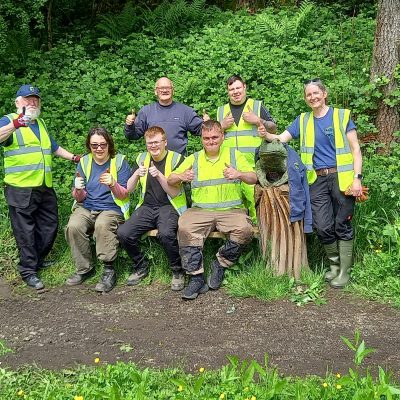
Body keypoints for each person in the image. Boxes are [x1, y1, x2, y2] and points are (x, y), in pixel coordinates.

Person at [260, 78, 363, 288]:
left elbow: (355, 150)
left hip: (342, 178)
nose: (313, 97)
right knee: (322, 225)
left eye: (316, 93)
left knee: (341, 223)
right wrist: (266, 134)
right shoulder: (303, 120)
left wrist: (357, 178)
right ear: (306, 98)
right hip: (316, 179)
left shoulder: (341, 116)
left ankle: (344, 271)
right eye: (308, 94)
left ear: (324, 94)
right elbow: (281, 138)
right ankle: (334, 267)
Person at [0, 84, 80, 290]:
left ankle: (36, 259)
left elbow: (53, 147)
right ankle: (28, 271)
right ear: (18, 103)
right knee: (24, 232)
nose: (32, 102)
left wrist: (73, 157)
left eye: (35, 99)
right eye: (28, 99)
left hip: (44, 186)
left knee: (49, 225)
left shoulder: (40, 123)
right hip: (20, 187)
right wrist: (16, 124)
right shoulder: (9, 120)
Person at [168, 120, 257, 300]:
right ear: (201, 139)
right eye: (206, 138)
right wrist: (181, 176)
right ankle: (196, 277)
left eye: (215, 137)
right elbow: (170, 179)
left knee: (245, 230)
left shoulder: (235, 155)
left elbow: (254, 178)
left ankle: (220, 263)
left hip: (231, 210)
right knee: (185, 228)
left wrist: (238, 174)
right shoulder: (194, 158)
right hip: (200, 211)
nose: (211, 141)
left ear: (222, 137)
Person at [117, 126, 187, 290]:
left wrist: (159, 176)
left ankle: (178, 270)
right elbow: (129, 188)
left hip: (170, 206)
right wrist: (136, 174)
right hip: (147, 206)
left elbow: (175, 192)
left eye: (156, 142)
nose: (153, 146)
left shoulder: (177, 159)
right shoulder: (142, 158)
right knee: (123, 233)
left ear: (165, 142)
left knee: (166, 234)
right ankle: (141, 265)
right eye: (150, 143)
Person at [65, 127, 131, 293]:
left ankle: (109, 269)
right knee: (73, 225)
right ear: (89, 146)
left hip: (112, 208)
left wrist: (112, 184)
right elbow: (79, 198)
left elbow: (124, 195)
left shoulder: (120, 161)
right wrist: (78, 190)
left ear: (109, 144)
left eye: (103, 144)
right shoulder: (84, 162)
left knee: (102, 224)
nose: (99, 148)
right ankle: (85, 269)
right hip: (87, 206)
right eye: (94, 145)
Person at [216, 74, 277, 221]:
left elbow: (273, 128)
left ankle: (262, 241)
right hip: (230, 169)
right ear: (227, 91)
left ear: (244, 87)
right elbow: (213, 137)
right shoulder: (221, 111)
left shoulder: (256, 106)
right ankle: (239, 240)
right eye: (231, 89)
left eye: (238, 88)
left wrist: (258, 120)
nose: (235, 92)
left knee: (258, 209)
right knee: (234, 210)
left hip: (254, 168)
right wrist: (221, 126)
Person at [124, 76, 209, 155]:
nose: (164, 90)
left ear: (173, 90)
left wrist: (207, 124)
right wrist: (129, 125)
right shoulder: (146, 111)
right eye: (161, 88)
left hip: (179, 162)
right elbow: (132, 136)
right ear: (155, 91)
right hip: (154, 162)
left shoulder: (185, 111)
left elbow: (201, 131)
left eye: (168, 88)